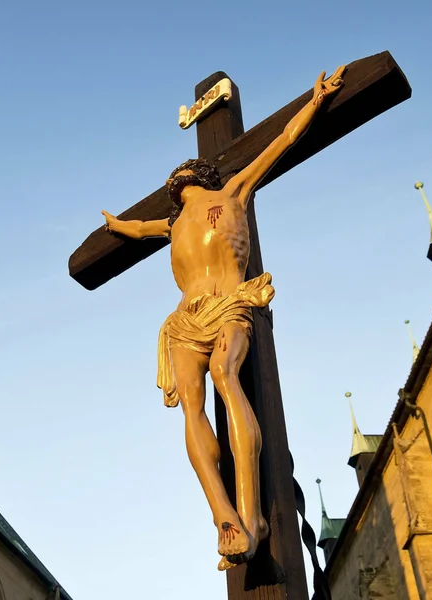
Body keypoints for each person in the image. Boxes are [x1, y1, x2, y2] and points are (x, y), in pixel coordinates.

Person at [101, 66, 346, 570]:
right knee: (192, 408)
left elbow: (282, 141)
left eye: (180, 175)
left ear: (195, 177)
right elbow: (136, 229)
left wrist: (316, 100)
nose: (175, 180)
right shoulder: (171, 225)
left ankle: (253, 514)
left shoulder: (232, 191)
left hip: (229, 301)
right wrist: (115, 226)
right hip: (184, 320)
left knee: (225, 375)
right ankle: (224, 515)